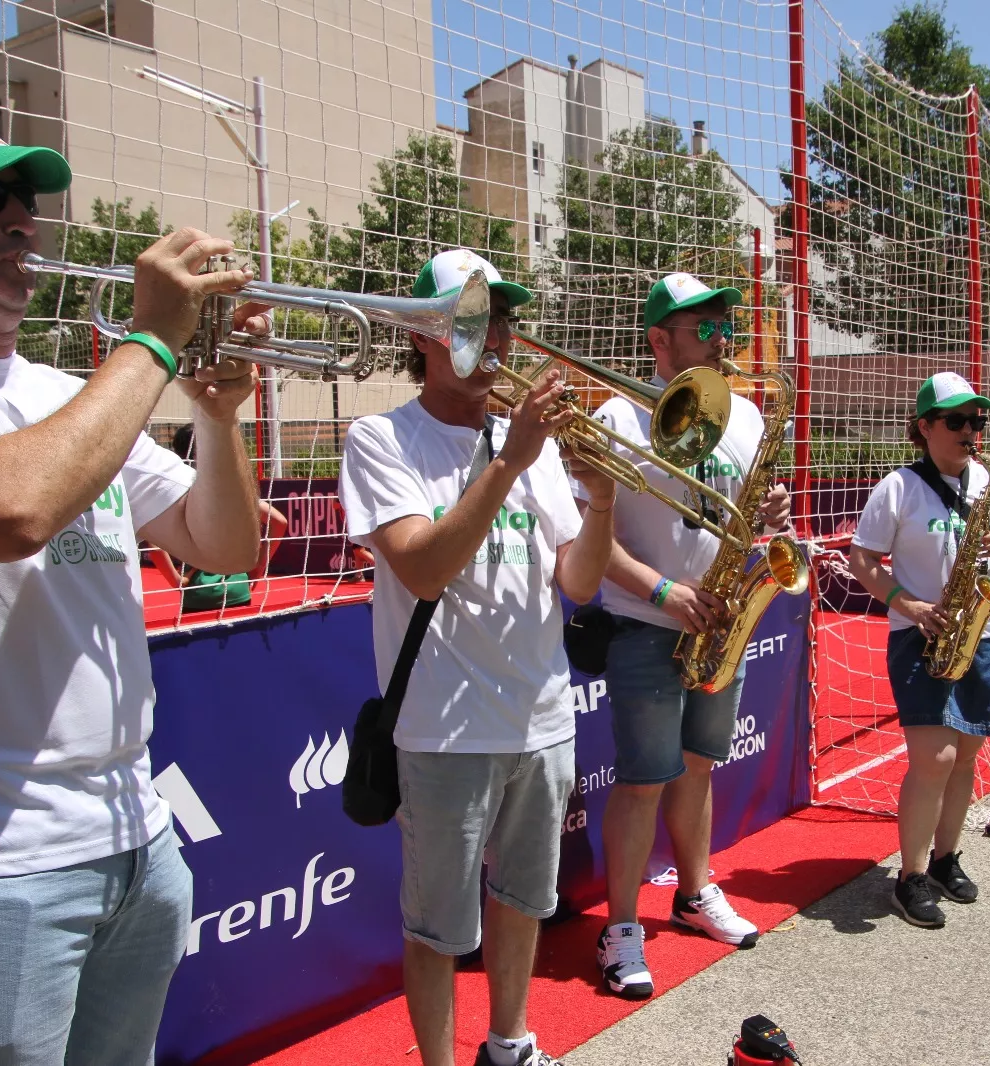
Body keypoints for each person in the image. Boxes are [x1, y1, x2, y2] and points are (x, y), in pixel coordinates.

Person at [0, 97, 266, 1063]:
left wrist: (217, 416)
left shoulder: (61, 393)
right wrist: (154, 340)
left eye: (26, 198)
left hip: (134, 834)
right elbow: (11, 509)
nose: (21, 222)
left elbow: (223, 544)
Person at [339, 249, 616, 1066]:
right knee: (437, 927)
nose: (495, 333)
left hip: (542, 717)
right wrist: (510, 462)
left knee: (524, 901)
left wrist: (600, 498)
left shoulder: (521, 442)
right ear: (424, 334)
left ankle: (509, 1042)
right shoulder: (380, 437)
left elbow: (579, 580)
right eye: (472, 316)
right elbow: (422, 565)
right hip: (441, 730)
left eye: (501, 316)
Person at [588, 273, 791, 999]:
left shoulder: (747, 415)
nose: (720, 335)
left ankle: (695, 891)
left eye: (721, 323)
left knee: (700, 765)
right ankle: (620, 928)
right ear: (658, 340)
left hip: (723, 618)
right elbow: (587, 541)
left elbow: (756, 524)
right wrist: (664, 590)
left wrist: (771, 509)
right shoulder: (616, 412)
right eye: (702, 326)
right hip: (648, 622)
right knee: (643, 781)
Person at [847, 372, 990, 929]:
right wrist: (908, 606)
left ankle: (945, 857)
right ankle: (909, 877)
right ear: (925, 427)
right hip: (924, 634)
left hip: (988, 632)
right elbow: (863, 562)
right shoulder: (899, 487)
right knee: (936, 759)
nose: (969, 430)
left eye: (976, 421)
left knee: (967, 759)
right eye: (955, 421)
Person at [150, 423, 289, 611]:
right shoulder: (230, 489)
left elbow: (152, 542)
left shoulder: (176, 488)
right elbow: (278, 521)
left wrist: (176, 580)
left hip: (200, 591)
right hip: (238, 588)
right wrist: (259, 566)